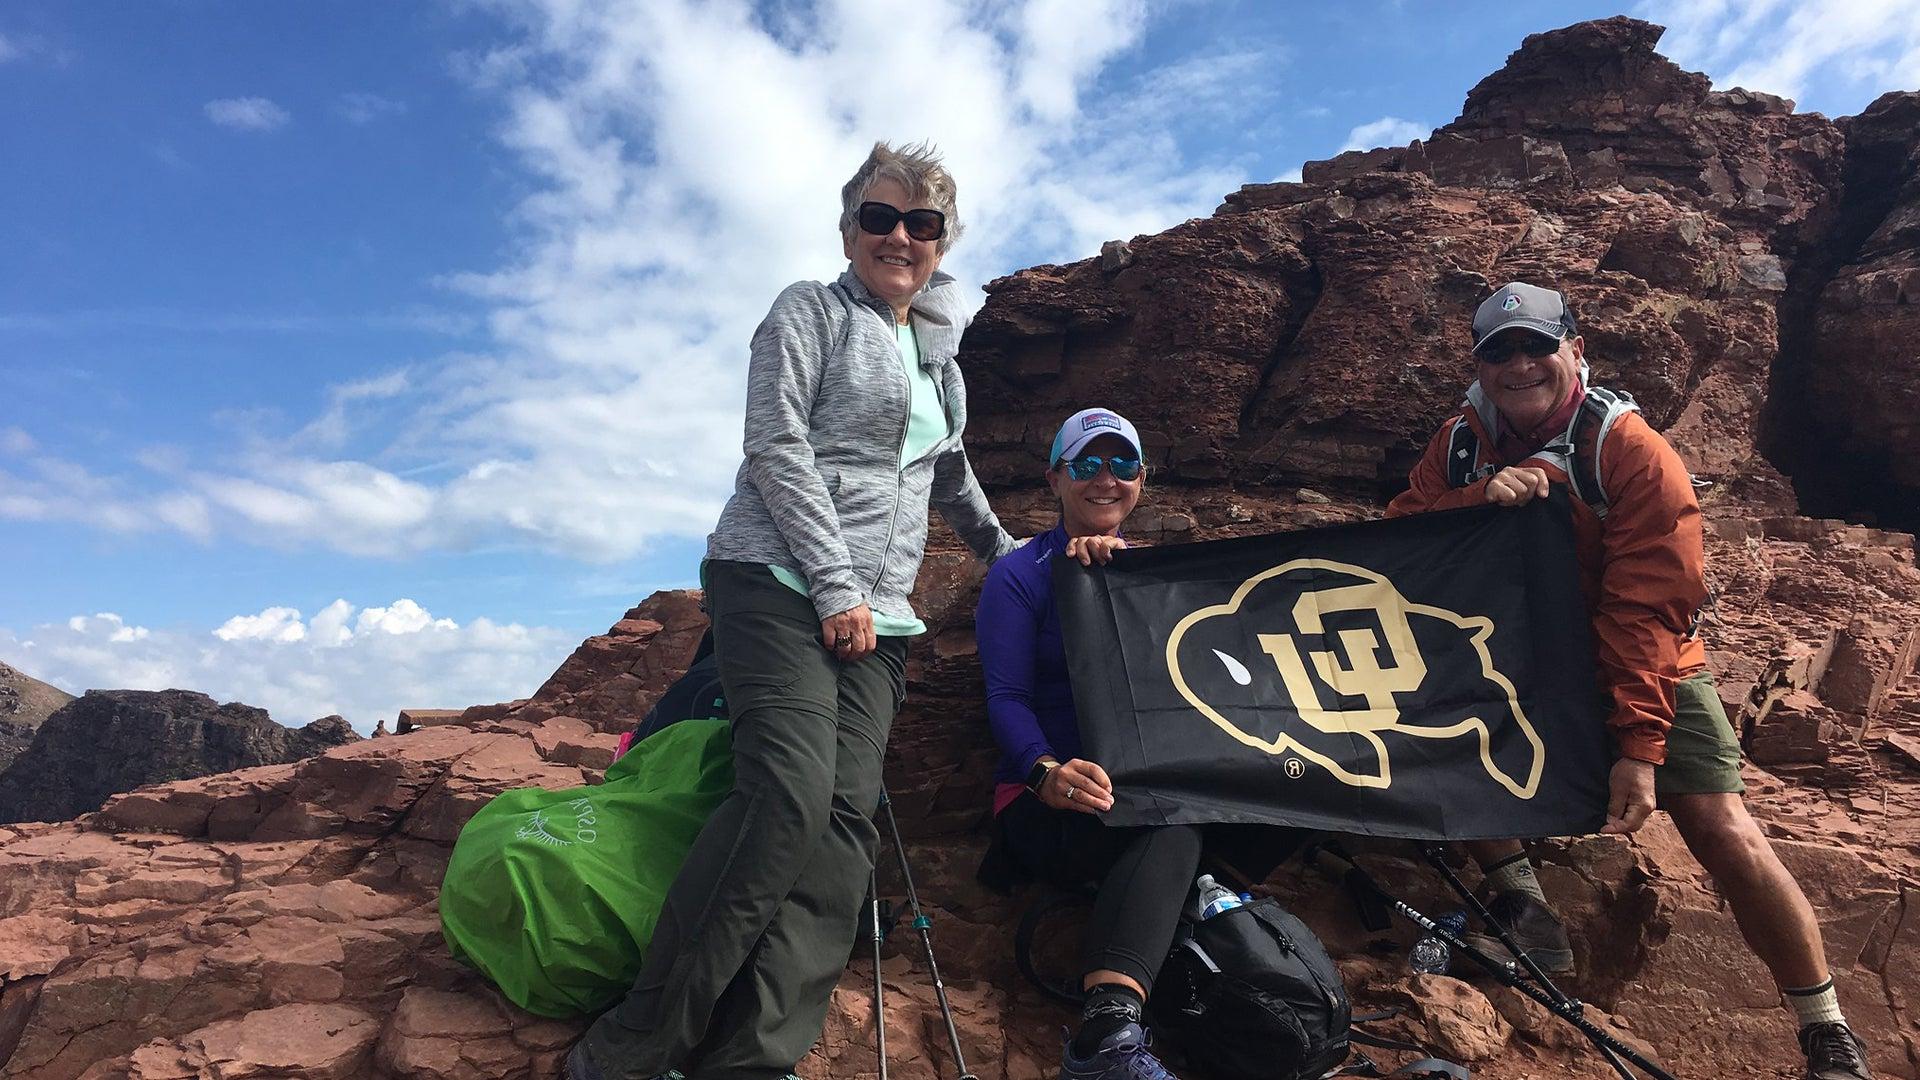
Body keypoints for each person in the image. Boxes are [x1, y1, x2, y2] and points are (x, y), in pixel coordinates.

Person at [567, 141, 1019, 1080]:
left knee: (844, 821)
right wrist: (836, 584)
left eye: (922, 224)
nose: (900, 236)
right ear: (849, 227)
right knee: (786, 796)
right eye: (881, 218)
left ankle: (750, 1059)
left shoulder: (939, 354)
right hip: (774, 578)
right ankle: (636, 1046)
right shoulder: (808, 312)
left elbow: (951, 472)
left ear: (943, 243)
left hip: (881, 614)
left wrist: (1011, 557)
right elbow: (776, 448)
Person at [1386, 282, 1873, 1080]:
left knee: (1720, 826)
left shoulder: (1629, 450)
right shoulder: (1461, 442)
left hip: (1645, 661)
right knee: (1435, 736)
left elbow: (1648, 606)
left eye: (1537, 345)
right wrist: (1476, 499)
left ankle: (1825, 1028)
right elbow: (1401, 543)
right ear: (1478, 365)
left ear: (1576, 349)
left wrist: (1639, 747)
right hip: (1520, 661)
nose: (1519, 364)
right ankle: (1526, 904)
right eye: (1497, 351)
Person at [975, 407, 1196, 1080]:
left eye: (1123, 464)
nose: (1107, 480)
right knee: (1174, 831)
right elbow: (1006, 698)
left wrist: (1111, 580)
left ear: (1143, 480)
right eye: (1087, 465)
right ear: (1055, 479)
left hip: (1142, 786)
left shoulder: (1155, 579)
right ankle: (1107, 1035)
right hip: (1048, 799)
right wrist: (1043, 772)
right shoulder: (1019, 575)